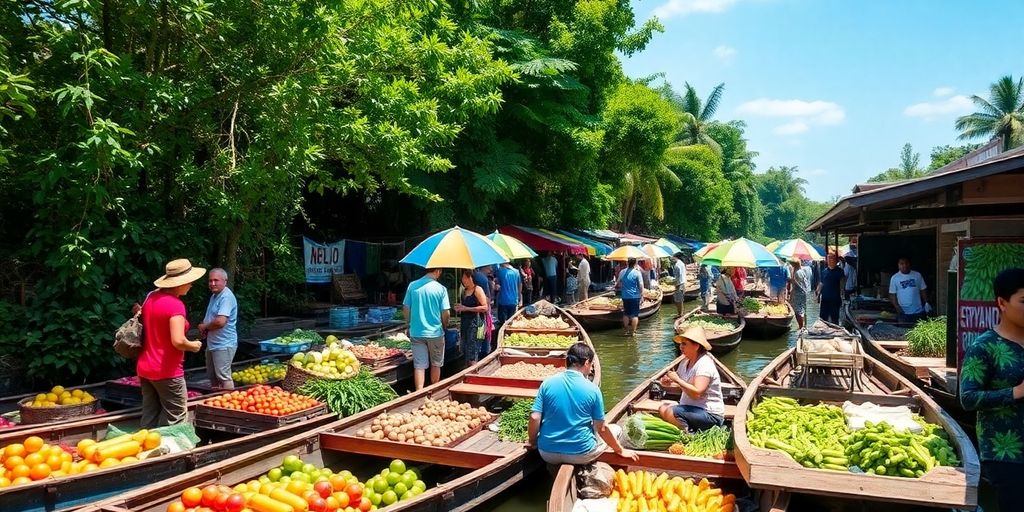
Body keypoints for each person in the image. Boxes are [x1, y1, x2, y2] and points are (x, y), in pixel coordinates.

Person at [960, 268, 1024, 512]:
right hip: (1005, 455)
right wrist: (1016, 392)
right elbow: (968, 398)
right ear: (1002, 303)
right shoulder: (984, 346)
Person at [528, 342, 638, 465]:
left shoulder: (547, 383)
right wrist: (620, 450)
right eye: (591, 365)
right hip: (581, 454)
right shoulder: (592, 389)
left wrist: (533, 442)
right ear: (586, 362)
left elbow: (534, 417)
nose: (591, 369)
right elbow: (601, 428)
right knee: (616, 429)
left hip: (547, 453)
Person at [137, 259, 205, 428]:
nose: (191, 285)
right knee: (175, 417)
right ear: (179, 284)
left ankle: (146, 449)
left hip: (145, 367)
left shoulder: (150, 297)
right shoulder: (175, 305)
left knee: (150, 415)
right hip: (167, 370)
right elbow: (178, 341)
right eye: (189, 281)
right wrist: (194, 345)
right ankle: (171, 453)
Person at [658, 326, 726, 432]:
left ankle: (688, 434)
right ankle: (688, 428)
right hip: (691, 410)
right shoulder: (685, 362)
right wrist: (668, 383)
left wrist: (678, 380)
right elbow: (684, 387)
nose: (681, 347)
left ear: (696, 346)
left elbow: (696, 393)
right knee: (662, 408)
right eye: (681, 344)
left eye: (684, 344)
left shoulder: (704, 364)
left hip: (709, 415)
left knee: (671, 411)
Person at [402, 268, 451, 390]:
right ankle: (433, 391)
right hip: (435, 333)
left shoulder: (412, 286)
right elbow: (446, 313)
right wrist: (444, 325)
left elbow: (406, 308)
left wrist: (409, 323)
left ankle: (419, 392)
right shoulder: (441, 289)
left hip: (417, 332)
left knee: (419, 365)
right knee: (436, 364)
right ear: (438, 271)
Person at [198, 268, 238, 390]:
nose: (212, 283)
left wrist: (205, 326)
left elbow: (220, 322)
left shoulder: (226, 297)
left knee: (224, 377)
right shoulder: (215, 296)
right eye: (210, 281)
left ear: (225, 281)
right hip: (213, 343)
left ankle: (229, 405)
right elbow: (212, 319)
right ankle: (214, 401)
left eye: (216, 280)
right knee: (213, 377)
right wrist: (206, 330)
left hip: (224, 344)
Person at [454, 270, 489, 366]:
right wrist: (460, 307)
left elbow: (485, 307)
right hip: (465, 324)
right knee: (465, 349)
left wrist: (467, 308)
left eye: (465, 278)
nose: (463, 280)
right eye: (462, 278)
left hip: (475, 324)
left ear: (471, 278)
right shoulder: (464, 291)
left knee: (472, 350)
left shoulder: (477, 289)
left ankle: (473, 371)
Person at [889, 257, 928, 323]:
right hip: (903, 313)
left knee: (918, 332)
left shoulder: (917, 275)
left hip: (918, 311)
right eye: (902, 264)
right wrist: (897, 308)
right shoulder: (895, 278)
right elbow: (892, 294)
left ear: (909, 264)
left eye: (906, 263)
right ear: (898, 265)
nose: (905, 265)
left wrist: (926, 303)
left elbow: (923, 289)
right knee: (904, 332)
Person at [618, 257, 645, 336]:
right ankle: (633, 332)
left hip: (625, 296)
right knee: (634, 315)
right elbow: (641, 285)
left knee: (626, 314)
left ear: (627, 263)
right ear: (635, 263)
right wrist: (642, 295)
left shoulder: (622, 272)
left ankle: (626, 331)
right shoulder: (637, 273)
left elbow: (618, 283)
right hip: (635, 296)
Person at [816, 253, 844, 324]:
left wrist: (842, 295)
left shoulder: (840, 271)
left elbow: (842, 284)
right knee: (823, 318)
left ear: (835, 260)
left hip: (835, 298)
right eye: (828, 259)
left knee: (834, 318)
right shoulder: (824, 271)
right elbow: (821, 283)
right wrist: (817, 293)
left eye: (831, 258)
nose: (829, 260)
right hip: (825, 298)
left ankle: (835, 332)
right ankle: (824, 333)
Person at [495, 261, 522, 327]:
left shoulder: (500, 271)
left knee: (502, 322)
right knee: (511, 321)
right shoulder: (516, 271)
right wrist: (519, 296)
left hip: (503, 300)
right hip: (513, 300)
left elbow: (497, 285)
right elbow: (520, 285)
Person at [788, 258, 812, 330]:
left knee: (797, 311)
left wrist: (791, 280)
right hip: (803, 293)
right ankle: (803, 326)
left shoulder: (797, 273)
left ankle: (801, 327)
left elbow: (795, 284)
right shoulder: (802, 271)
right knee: (802, 310)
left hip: (798, 293)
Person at [671, 252, 688, 318]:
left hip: (679, 284)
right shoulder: (681, 263)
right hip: (682, 283)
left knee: (679, 300)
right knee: (680, 299)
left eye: (672, 257)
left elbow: (679, 276)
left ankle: (680, 314)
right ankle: (681, 313)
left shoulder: (677, 265)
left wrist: (676, 284)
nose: (671, 259)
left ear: (676, 257)